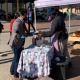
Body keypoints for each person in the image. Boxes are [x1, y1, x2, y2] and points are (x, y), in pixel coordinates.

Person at [8, 11, 27, 79]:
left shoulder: (20, 21)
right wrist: (25, 34)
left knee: (16, 57)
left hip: (17, 42)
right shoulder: (18, 22)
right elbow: (17, 31)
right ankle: (16, 76)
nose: (26, 16)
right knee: (17, 59)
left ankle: (11, 70)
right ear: (21, 15)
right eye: (25, 15)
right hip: (15, 43)